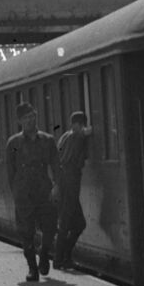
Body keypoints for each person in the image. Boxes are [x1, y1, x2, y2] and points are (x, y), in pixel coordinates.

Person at [5, 102, 59, 282]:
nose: (30, 120)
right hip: (24, 192)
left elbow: (56, 166)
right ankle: (32, 269)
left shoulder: (48, 140)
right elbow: (10, 170)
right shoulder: (13, 143)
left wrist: (57, 186)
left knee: (50, 227)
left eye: (32, 116)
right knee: (26, 231)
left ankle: (44, 253)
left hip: (43, 189)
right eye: (26, 118)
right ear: (20, 121)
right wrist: (16, 191)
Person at [52, 112, 94, 270]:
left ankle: (64, 258)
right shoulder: (73, 136)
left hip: (66, 182)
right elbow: (83, 133)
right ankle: (59, 259)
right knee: (67, 222)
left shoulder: (64, 136)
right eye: (81, 124)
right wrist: (90, 130)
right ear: (78, 124)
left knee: (77, 224)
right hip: (70, 182)